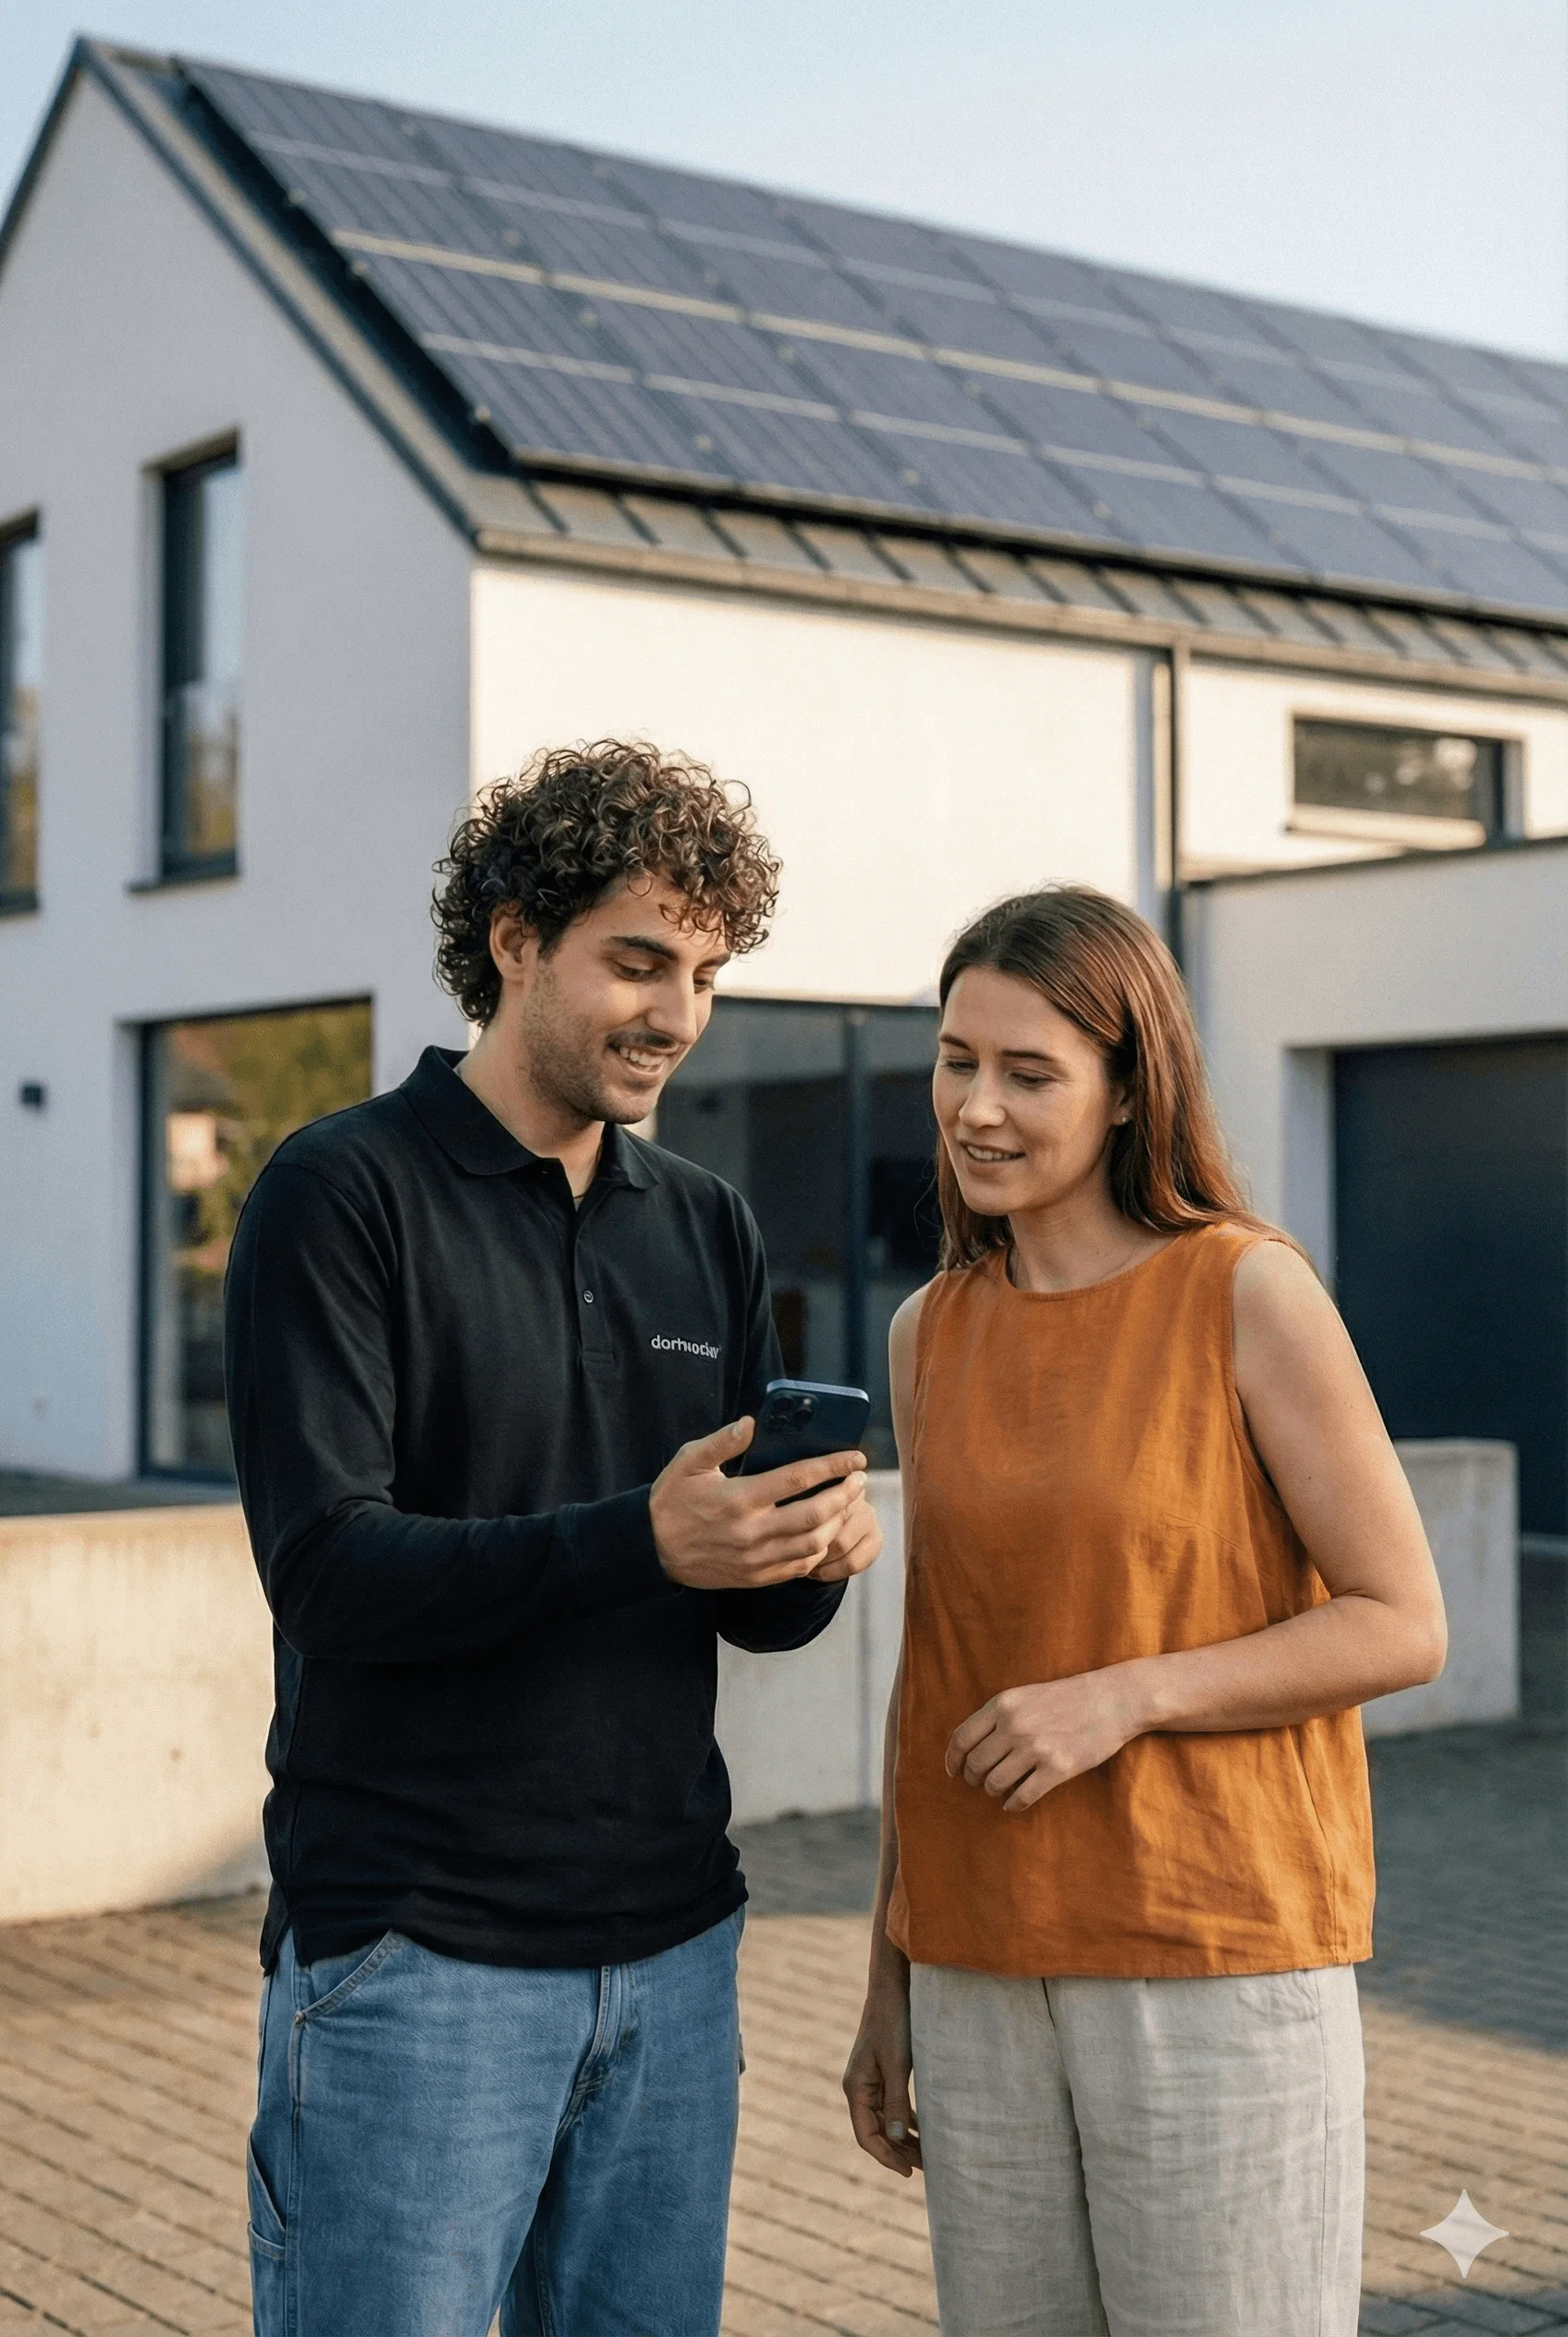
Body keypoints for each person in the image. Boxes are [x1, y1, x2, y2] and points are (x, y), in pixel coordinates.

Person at [226, 740, 882, 2337]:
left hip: (674, 1953)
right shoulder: (340, 1193)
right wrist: (642, 1543)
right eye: (637, 961)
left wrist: (802, 1553)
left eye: (708, 974)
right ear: (515, 940)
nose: (677, 1013)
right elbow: (326, 1570)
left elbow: (735, 1614)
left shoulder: (704, 1221)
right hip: (416, 1959)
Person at [843, 886, 1446, 2337]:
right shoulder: (931, 1330)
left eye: (1029, 1073)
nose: (976, 1108)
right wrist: (890, 1974)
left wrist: (1126, 1694)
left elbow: (1402, 1620)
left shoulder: (1246, 1291)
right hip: (981, 1970)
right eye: (955, 1061)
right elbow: (938, 1671)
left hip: (1214, 1962)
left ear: (1126, 1092)